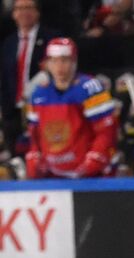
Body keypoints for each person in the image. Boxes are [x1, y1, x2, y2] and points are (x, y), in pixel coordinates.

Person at [23, 36, 118, 178]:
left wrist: (95, 158)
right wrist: (35, 157)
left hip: (91, 175)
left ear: (74, 61)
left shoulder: (90, 88)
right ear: (47, 64)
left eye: (65, 60)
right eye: (54, 61)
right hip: (54, 174)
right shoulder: (39, 93)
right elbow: (34, 134)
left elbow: (106, 131)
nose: (59, 66)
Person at [1, 0, 53, 150]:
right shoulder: (8, 43)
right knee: (15, 155)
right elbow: (4, 79)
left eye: (29, 8)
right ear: (13, 14)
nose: (24, 12)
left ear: (37, 13)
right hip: (13, 112)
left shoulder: (50, 38)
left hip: (41, 109)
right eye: (19, 8)